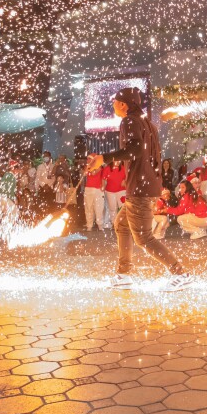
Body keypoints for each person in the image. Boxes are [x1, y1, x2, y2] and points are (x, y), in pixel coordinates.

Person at [87, 87, 193, 291]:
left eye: (115, 102)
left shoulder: (129, 121)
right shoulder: (147, 123)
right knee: (122, 224)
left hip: (141, 188)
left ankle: (181, 273)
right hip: (147, 184)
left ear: (123, 104)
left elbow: (134, 149)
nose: (113, 106)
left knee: (143, 237)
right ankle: (123, 274)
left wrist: (104, 159)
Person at [83, 154, 106, 231]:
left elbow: (94, 172)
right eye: (87, 159)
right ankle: (89, 225)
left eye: (90, 159)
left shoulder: (99, 167)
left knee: (99, 207)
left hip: (97, 189)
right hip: (88, 189)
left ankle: (100, 224)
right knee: (88, 207)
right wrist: (87, 168)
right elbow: (85, 173)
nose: (88, 160)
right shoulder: (87, 166)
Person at [102, 159, 127, 228]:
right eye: (116, 161)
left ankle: (123, 223)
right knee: (112, 208)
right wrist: (103, 187)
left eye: (119, 161)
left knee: (122, 207)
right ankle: (114, 223)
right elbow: (103, 179)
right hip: (110, 191)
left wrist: (124, 181)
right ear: (112, 161)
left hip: (121, 191)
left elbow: (127, 176)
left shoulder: (123, 168)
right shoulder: (107, 169)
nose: (118, 162)